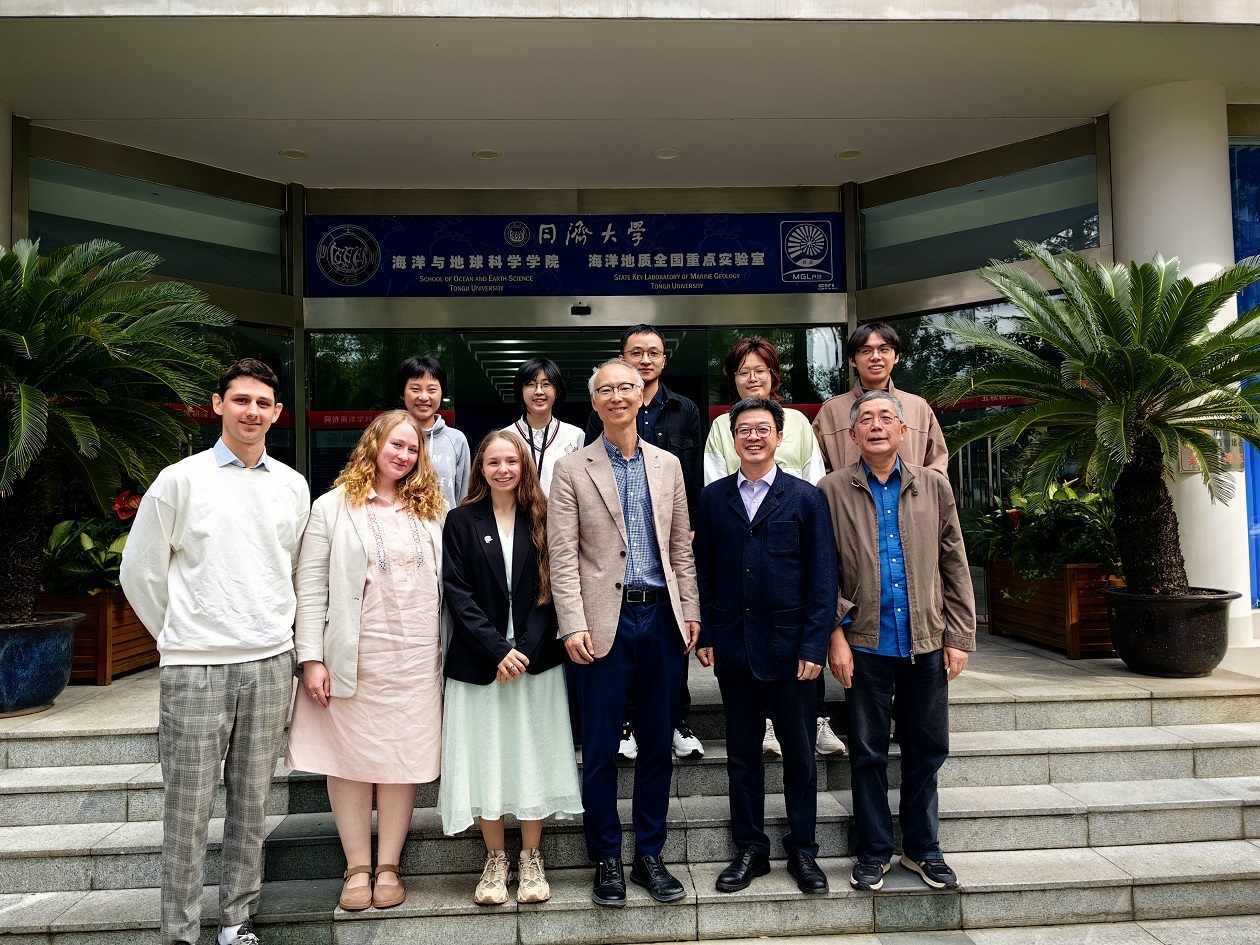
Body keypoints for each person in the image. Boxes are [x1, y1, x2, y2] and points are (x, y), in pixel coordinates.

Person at [120, 358, 310, 945]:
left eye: (263, 403)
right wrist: (179, 633)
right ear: (218, 405)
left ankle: (235, 920)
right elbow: (140, 571)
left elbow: (292, 569)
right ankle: (179, 931)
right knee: (188, 808)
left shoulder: (292, 485)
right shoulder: (180, 480)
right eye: (241, 400)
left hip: (270, 662)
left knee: (252, 804)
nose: (252, 411)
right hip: (196, 666)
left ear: (277, 414)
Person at [550, 357, 701, 909]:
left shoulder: (667, 465)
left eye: (626, 388)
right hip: (600, 624)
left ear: (642, 395)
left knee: (658, 744)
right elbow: (563, 555)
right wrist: (572, 623)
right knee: (600, 748)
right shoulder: (572, 468)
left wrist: (691, 610)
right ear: (594, 402)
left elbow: (681, 546)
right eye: (606, 390)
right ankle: (607, 857)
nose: (617, 396)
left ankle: (649, 856)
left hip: (661, 617)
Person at [285, 409, 446, 912]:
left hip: (416, 658)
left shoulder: (433, 509)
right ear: (374, 444)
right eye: (396, 444)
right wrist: (311, 658)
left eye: (413, 449)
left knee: (401, 760)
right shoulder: (332, 507)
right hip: (354, 656)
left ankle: (389, 865)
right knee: (350, 761)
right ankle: (358, 866)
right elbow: (310, 586)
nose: (404, 455)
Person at [820, 391, 975, 893]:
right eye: (865, 419)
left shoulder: (933, 485)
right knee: (866, 753)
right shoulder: (831, 490)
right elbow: (823, 572)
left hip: (925, 641)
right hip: (864, 644)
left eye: (886, 417)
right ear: (852, 434)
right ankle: (872, 851)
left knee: (926, 748)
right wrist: (835, 637)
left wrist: (959, 636)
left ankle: (922, 847)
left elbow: (954, 562)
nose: (876, 425)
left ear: (904, 431)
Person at [694, 397, 838, 896]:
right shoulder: (712, 499)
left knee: (799, 756)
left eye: (762, 429)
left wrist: (814, 646)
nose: (753, 437)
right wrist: (707, 634)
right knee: (742, 757)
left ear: (779, 437)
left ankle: (803, 850)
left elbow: (823, 578)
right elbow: (704, 572)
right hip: (735, 650)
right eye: (744, 430)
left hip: (792, 651)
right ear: (733, 439)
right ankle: (750, 850)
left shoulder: (806, 498)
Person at [438, 430, 583, 906]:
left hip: (534, 664)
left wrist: (523, 649)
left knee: (531, 755)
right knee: (487, 758)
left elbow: (551, 590)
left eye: (511, 461)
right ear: (480, 468)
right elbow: (456, 592)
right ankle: (496, 859)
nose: (503, 469)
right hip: (481, 664)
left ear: (525, 466)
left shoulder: (543, 516)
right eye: (493, 462)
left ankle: (531, 858)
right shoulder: (461, 520)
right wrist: (497, 650)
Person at [702, 336, 839, 760]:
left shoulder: (797, 422)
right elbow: (716, 492)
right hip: (738, 533)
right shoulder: (722, 427)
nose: (752, 378)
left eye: (759, 370)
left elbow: (814, 482)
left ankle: (816, 720)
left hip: (787, 531)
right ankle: (763, 728)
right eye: (743, 372)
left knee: (799, 730)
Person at [584, 324, 704, 761]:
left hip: (670, 540)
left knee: (671, 653)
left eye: (654, 352)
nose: (646, 359)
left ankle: (677, 722)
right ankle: (625, 726)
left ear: (663, 360)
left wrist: (688, 525)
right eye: (636, 352)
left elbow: (692, 471)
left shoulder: (684, 409)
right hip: (615, 556)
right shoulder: (605, 409)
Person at [811, 322, 949, 476]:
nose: (875, 357)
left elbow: (937, 468)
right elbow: (816, 470)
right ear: (852, 360)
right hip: (848, 493)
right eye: (866, 350)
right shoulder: (831, 411)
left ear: (896, 357)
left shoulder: (918, 408)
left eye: (884, 349)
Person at [397, 355, 470, 509]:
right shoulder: (390, 437)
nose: (424, 397)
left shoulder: (456, 439)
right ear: (402, 393)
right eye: (415, 389)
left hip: (446, 524)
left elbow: (463, 495)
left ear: (442, 393)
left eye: (432, 390)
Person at [503, 358, 585, 496]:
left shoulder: (575, 435)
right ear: (520, 391)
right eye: (530, 384)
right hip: (516, 509)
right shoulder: (506, 436)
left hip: (563, 509)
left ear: (557, 391)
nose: (539, 391)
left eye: (546, 384)